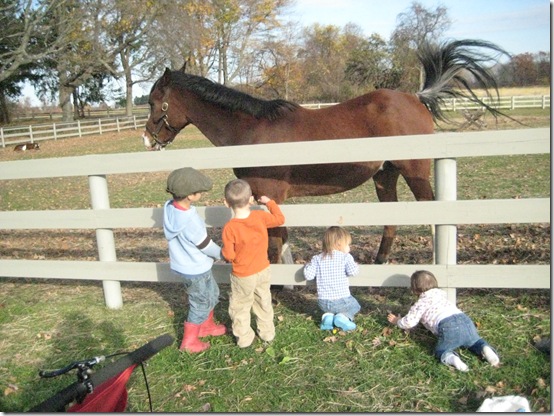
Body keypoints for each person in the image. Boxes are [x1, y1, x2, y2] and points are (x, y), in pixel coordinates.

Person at [163, 167, 226, 353]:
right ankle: (189, 342)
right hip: (195, 268)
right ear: (190, 196)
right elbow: (205, 244)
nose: (201, 194)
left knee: (212, 293)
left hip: (190, 265)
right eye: (199, 192)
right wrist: (221, 253)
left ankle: (206, 326)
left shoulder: (170, 208)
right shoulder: (189, 220)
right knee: (199, 302)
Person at [387, 270, 500, 372]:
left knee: (441, 350)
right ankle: (485, 349)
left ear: (414, 290)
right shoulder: (441, 296)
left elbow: (409, 322)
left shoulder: (421, 304)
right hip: (465, 320)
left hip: (448, 326)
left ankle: (452, 359)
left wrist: (397, 320)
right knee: (474, 341)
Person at [221, 179, 285, 348]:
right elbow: (279, 219)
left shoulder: (229, 228)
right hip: (263, 270)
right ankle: (267, 333)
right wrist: (269, 202)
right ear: (250, 199)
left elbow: (228, 254)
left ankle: (244, 338)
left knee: (240, 306)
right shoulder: (260, 216)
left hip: (242, 275)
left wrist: (230, 256)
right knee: (263, 300)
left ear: (226, 203)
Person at [303, 226, 361, 331]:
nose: (349, 247)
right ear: (339, 244)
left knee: (330, 309)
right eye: (347, 244)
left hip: (323, 302)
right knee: (355, 306)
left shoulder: (317, 258)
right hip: (342, 300)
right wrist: (355, 265)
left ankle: (328, 317)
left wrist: (307, 265)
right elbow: (353, 272)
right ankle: (343, 318)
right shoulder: (346, 257)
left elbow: (308, 275)